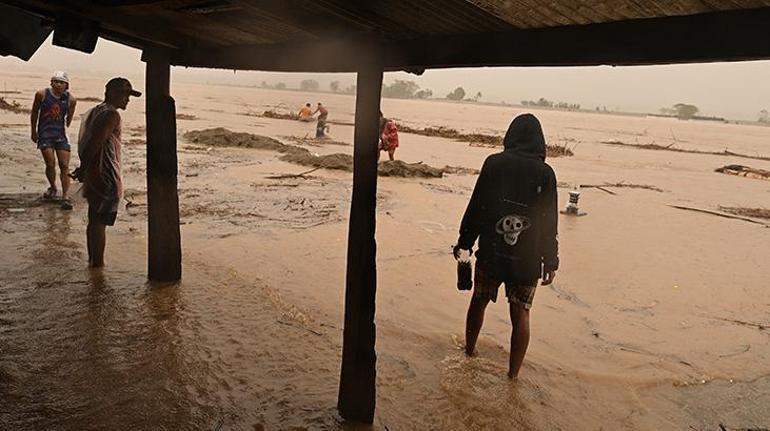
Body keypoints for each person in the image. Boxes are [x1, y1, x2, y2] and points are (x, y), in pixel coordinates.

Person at [454, 113, 559, 380]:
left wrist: (465, 242)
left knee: (478, 301)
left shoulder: (494, 164)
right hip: (527, 259)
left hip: (492, 251)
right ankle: (513, 376)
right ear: (540, 142)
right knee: (521, 313)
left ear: (510, 136)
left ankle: (469, 351)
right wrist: (551, 260)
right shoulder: (546, 174)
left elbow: (477, 206)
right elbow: (549, 221)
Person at [75, 77, 141, 267]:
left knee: (94, 220)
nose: (127, 100)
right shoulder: (111, 115)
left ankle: (92, 262)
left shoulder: (97, 111)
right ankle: (98, 267)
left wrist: (84, 168)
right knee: (99, 223)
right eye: (125, 95)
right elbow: (95, 143)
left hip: (95, 173)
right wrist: (84, 167)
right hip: (105, 175)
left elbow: (87, 142)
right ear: (112, 94)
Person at [30, 71, 77, 209]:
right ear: (51, 82)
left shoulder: (70, 99)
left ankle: (65, 195)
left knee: (64, 165)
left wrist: (68, 122)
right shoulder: (42, 94)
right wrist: (33, 131)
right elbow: (34, 112)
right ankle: (53, 186)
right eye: (55, 81)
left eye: (61, 82)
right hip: (45, 133)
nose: (58, 84)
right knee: (50, 163)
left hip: (60, 134)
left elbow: (69, 116)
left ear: (66, 85)